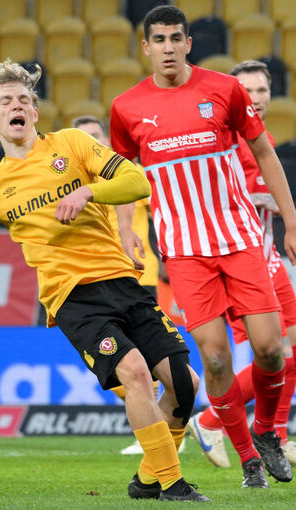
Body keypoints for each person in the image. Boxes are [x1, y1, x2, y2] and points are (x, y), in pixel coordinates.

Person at [0, 60, 207, 502]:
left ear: (35, 111)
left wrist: (88, 190)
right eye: (5, 101)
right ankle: (172, 484)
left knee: (186, 384)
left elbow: (137, 181)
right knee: (135, 373)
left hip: (121, 281)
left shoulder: (73, 143)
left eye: (23, 99)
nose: (16, 106)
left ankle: (148, 479)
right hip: (72, 298)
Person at [109, 5, 296, 489]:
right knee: (216, 360)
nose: (168, 48)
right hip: (184, 252)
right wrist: (126, 228)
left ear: (188, 43)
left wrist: (290, 221)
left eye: (176, 38)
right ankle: (249, 460)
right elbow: (121, 173)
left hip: (240, 240)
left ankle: (266, 429)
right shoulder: (127, 107)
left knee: (272, 350)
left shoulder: (224, 89)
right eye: (159, 40)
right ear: (146, 47)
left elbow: (264, 152)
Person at [186, 60, 296, 469]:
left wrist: (290, 215)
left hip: (267, 256)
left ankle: (278, 435)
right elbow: (232, 199)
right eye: (247, 90)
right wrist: (286, 212)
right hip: (239, 261)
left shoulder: (261, 137)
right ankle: (210, 422)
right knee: (276, 351)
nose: (255, 98)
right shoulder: (222, 140)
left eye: (262, 90)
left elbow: (262, 195)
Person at [71, 115, 181, 456]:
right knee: (128, 367)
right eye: (84, 137)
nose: (93, 142)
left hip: (137, 277)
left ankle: (159, 431)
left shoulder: (128, 173)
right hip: (95, 283)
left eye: (96, 136)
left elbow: (163, 210)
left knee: (145, 363)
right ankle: (162, 423)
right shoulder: (70, 185)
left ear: (106, 139)